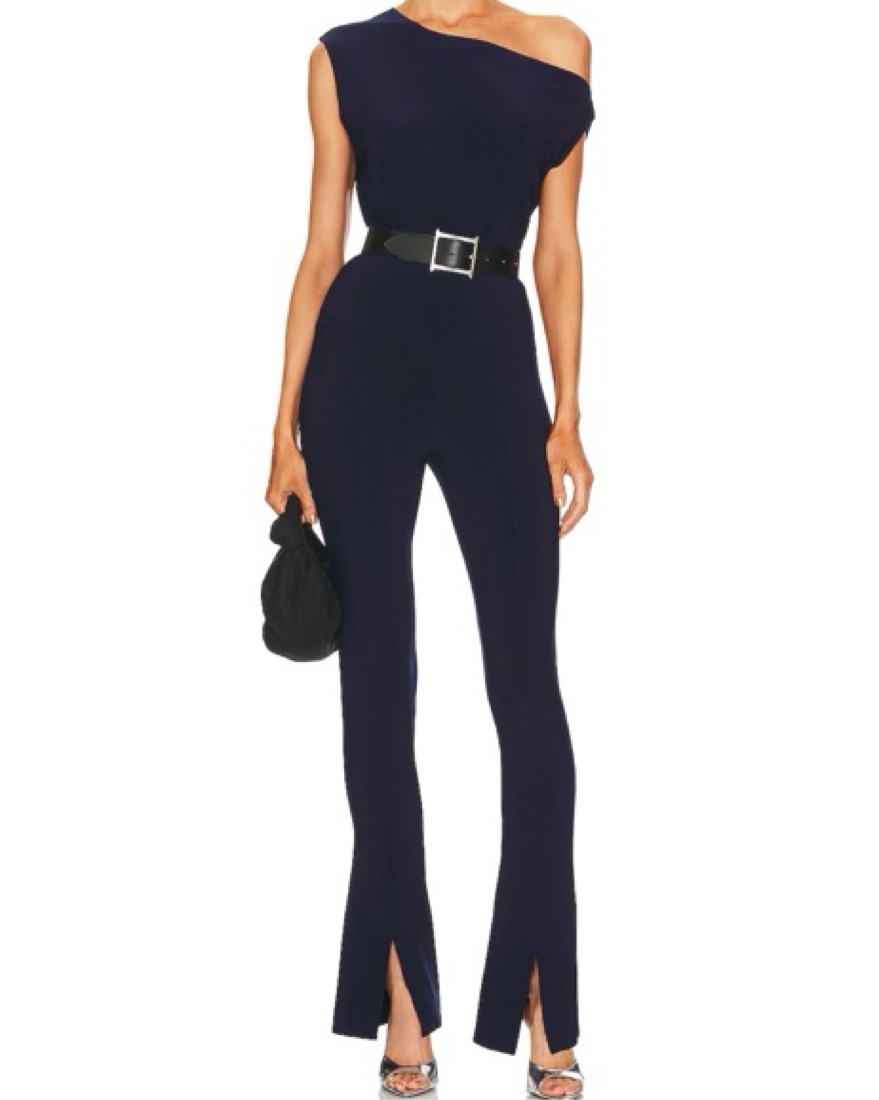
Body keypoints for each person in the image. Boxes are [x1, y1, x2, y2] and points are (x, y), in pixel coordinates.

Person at [265, 3, 596, 1096]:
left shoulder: (558, 49)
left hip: (496, 355)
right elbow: (321, 250)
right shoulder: (343, 56)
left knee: (528, 688)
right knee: (377, 684)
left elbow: (559, 248)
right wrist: (282, 428)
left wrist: (568, 414)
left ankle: (541, 989)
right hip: (365, 355)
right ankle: (403, 992)